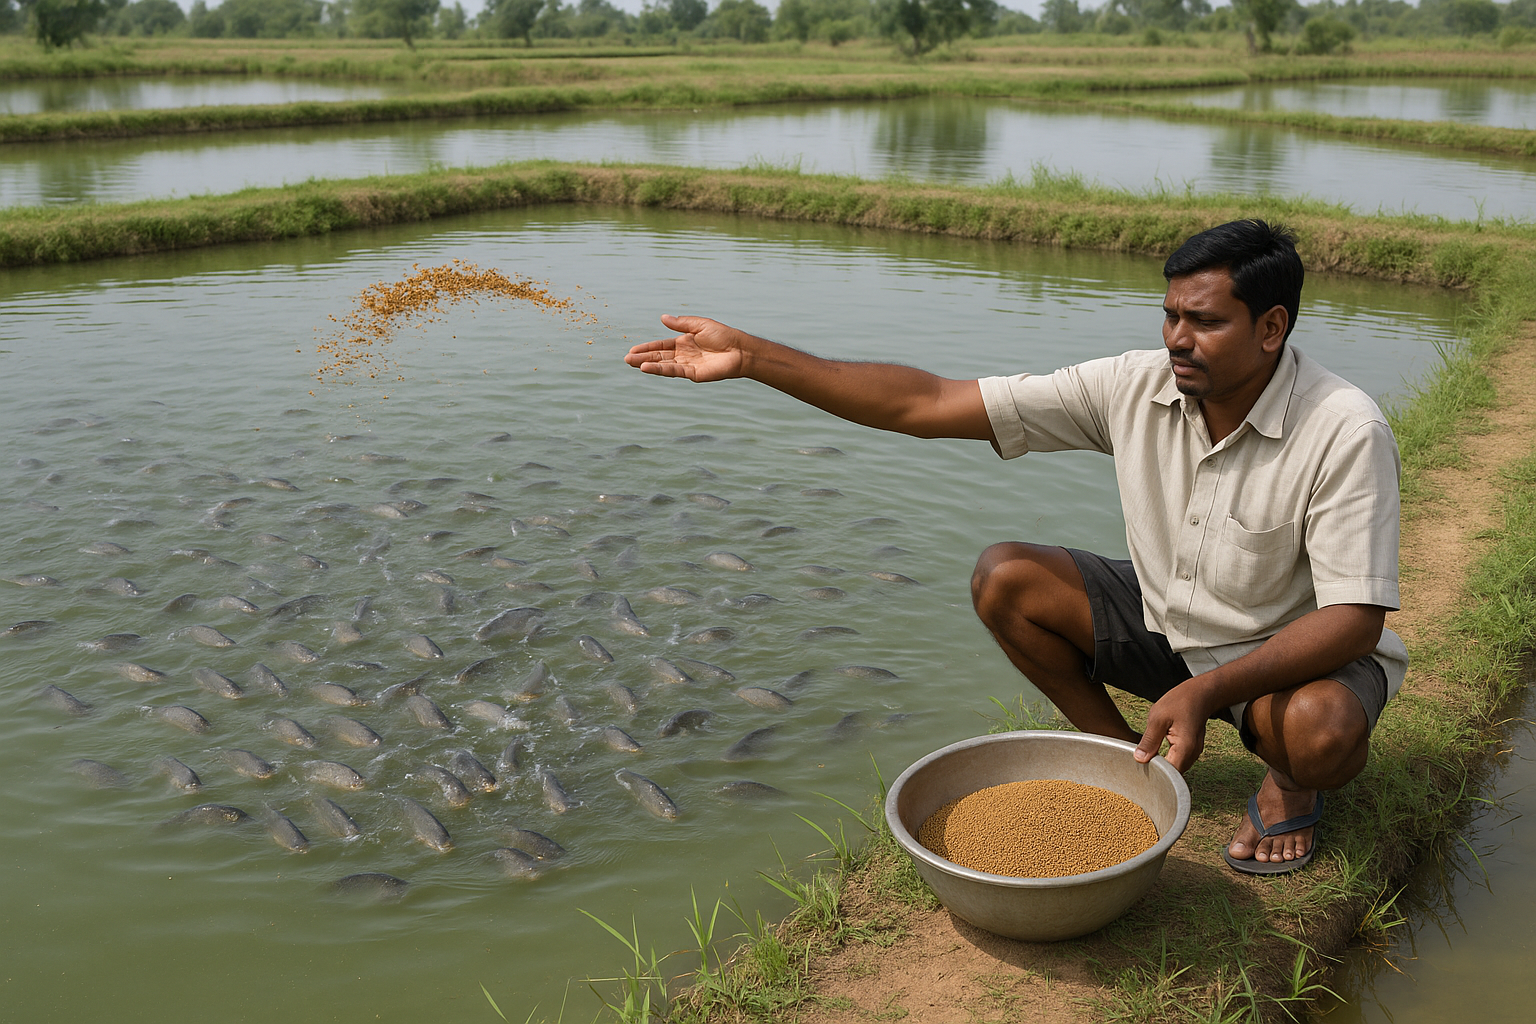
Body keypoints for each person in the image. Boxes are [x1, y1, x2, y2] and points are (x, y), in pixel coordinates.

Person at [623, 219, 1408, 875]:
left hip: (1287, 655)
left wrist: (1205, 694)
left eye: (1205, 321)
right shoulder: (1134, 385)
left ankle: (1289, 790)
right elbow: (925, 402)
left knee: (1321, 734)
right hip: (1173, 621)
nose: (1177, 338)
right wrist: (758, 360)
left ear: (1271, 327)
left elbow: (1354, 621)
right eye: (1169, 315)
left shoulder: (1343, 426)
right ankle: (1128, 769)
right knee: (1006, 578)